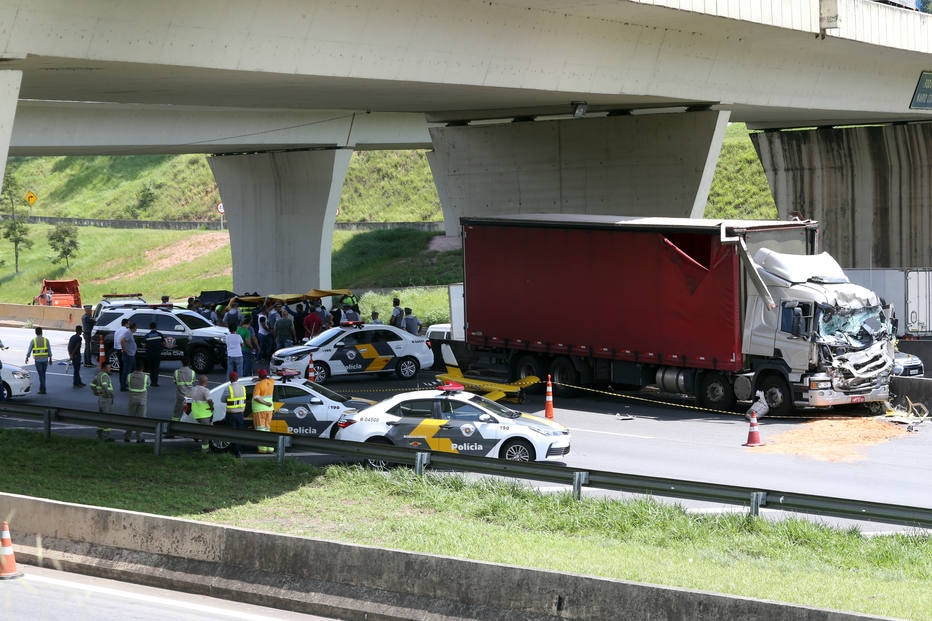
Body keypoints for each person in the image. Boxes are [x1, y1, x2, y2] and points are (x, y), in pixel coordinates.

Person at [251, 368, 276, 454]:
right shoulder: (271, 382)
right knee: (267, 429)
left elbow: (256, 397)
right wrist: (260, 378)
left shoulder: (259, 385)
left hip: (260, 410)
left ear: (259, 376)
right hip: (269, 410)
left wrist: (265, 403)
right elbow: (268, 378)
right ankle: (270, 449)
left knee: (261, 430)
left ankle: (262, 449)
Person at [187, 375, 214, 453]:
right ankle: (205, 451)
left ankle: (197, 435)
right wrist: (212, 407)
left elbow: (187, 398)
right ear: (206, 382)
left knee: (202, 430)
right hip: (204, 414)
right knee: (206, 433)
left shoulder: (193, 389)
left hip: (196, 414)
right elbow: (209, 401)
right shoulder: (205, 390)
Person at [90, 360, 115, 441]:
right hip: (106, 399)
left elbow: (92, 384)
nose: (110, 369)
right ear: (104, 368)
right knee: (107, 417)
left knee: (101, 417)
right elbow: (105, 386)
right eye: (109, 367)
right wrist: (109, 395)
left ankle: (99, 435)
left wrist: (96, 392)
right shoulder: (105, 376)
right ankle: (106, 437)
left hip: (100, 399)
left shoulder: (98, 375)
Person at [125, 360, 150, 443]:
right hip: (142, 401)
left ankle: (127, 436)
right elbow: (148, 384)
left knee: (130, 419)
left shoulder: (129, 376)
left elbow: (127, 384)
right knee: (140, 420)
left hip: (132, 400)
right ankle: (139, 438)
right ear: (142, 368)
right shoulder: (146, 377)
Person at [224, 371, 247, 457]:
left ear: (230, 379)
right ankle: (239, 450)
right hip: (240, 414)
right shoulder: (243, 387)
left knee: (232, 433)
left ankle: (235, 451)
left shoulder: (228, 388)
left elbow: (222, 399)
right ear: (237, 378)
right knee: (240, 432)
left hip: (231, 414)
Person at [25, 326, 52, 394]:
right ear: (42, 332)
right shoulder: (46, 340)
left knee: (41, 375)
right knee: (43, 374)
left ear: (35, 333)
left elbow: (29, 350)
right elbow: (49, 350)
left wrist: (27, 357)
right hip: (45, 360)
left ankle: (43, 390)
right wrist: (50, 359)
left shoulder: (33, 340)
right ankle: (42, 389)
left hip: (38, 361)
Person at [172, 357, 196, 424]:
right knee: (188, 413)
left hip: (180, 397)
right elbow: (193, 381)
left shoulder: (176, 372)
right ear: (189, 363)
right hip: (189, 397)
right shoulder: (192, 372)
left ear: (182, 363)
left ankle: (174, 427)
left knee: (176, 415)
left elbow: (175, 382)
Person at [119, 322, 138, 392]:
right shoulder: (128, 333)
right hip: (128, 355)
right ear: (133, 328)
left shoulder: (130, 333)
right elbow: (122, 341)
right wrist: (124, 350)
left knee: (131, 370)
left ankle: (127, 384)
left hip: (131, 354)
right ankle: (123, 386)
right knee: (126, 371)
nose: (136, 329)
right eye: (136, 328)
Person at [143, 321, 163, 386]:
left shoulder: (147, 336)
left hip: (149, 354)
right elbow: (163, 344)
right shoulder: (160, 335)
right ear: (156, 327)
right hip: (157, 354)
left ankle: (152, 382)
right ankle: (155, 382)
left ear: (150, 327)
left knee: (151, 369)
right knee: (156, 368)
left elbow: (144, 345)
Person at [113, 318, 130, 391]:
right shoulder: (126, 331)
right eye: (128, 323)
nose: (129, 325)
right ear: (126, 323)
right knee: (125, 368)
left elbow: (115, 341)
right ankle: (123, 385)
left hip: (117, 349)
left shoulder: (117, 330)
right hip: (123, 350)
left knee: (121, 368)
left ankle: (122, 383)